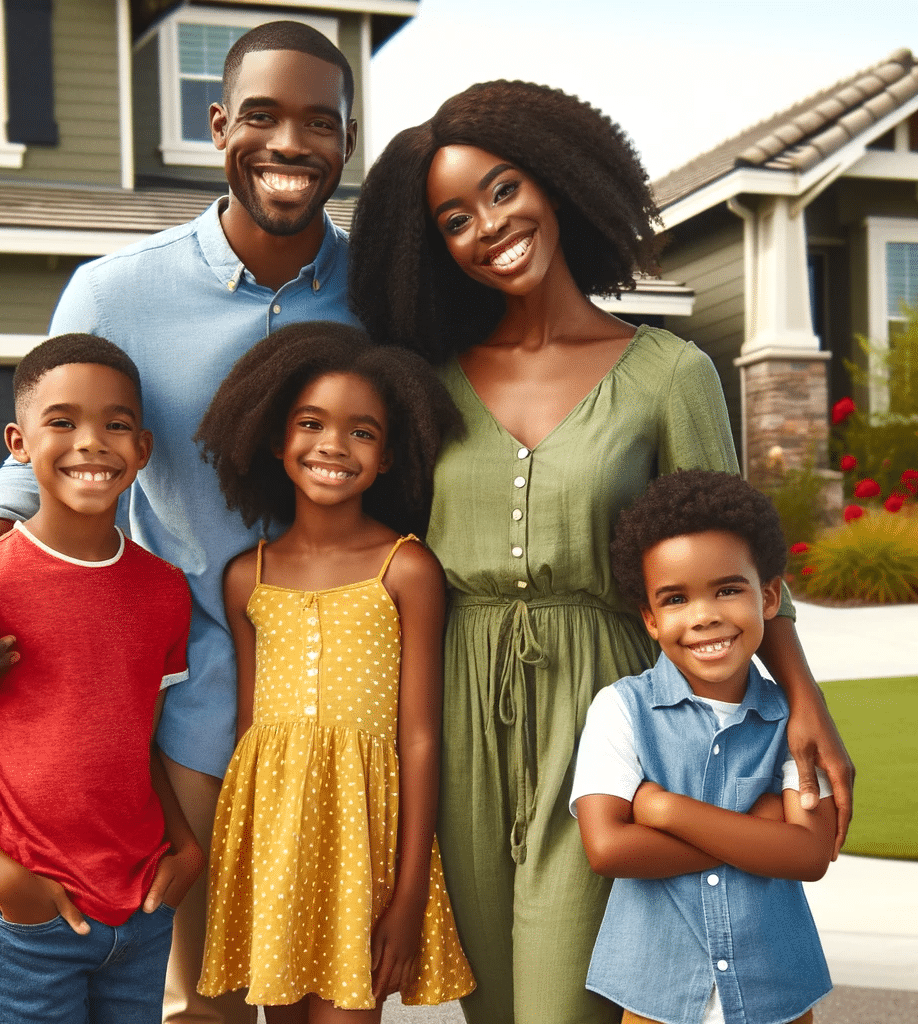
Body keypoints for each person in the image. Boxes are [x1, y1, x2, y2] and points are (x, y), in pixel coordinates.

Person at [349, 80, 853, 1024]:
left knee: (568, 1003)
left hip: (605, 709)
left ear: (558, 179)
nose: (489, 225)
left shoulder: (670, 374)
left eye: (503, 189)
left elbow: (736, 557)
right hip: (460, 707)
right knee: (498, 1005)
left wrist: (804, 701)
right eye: (454, 217)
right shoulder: (426, 385)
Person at [0, 21, 359, 1023]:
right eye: (260, 115)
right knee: (207, 997)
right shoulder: (117, 291)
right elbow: (48, 461)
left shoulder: (385, 295)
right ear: (216, 126)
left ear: (346, 142)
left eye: (318, 122)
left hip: (346, 706)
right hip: (192, 705)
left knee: (327, 992)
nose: (289, 142)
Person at [0, 334, 204, 1024]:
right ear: (18, 441)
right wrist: (5, 879)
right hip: (35, 919)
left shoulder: (164, 591)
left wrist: (184, 848)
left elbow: (136, 743)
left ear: (144, 449)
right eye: (62, 421)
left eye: (115, 424)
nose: (91, 442)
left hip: (143, 909)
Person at [192, 322, 473, 1020]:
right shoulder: (244, 578)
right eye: (311, 423)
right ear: (273, 437)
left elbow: (420, 740)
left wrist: (408, 897)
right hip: (271, 840)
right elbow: (251, 726)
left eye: (362, 432)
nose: (332, 447)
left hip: (362, 847)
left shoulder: (405, 569)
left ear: (388, 459)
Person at [572, 468, 834, 1024]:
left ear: (767, 596)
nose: (704, 615)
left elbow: (810, 855)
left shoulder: (795, 721)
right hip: (655, 994)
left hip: (777, 996)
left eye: (728, 589)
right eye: (675, 598)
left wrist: (664, 809)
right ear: (650, 618)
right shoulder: (619, 710)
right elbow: (608, 849)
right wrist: (759, 833)